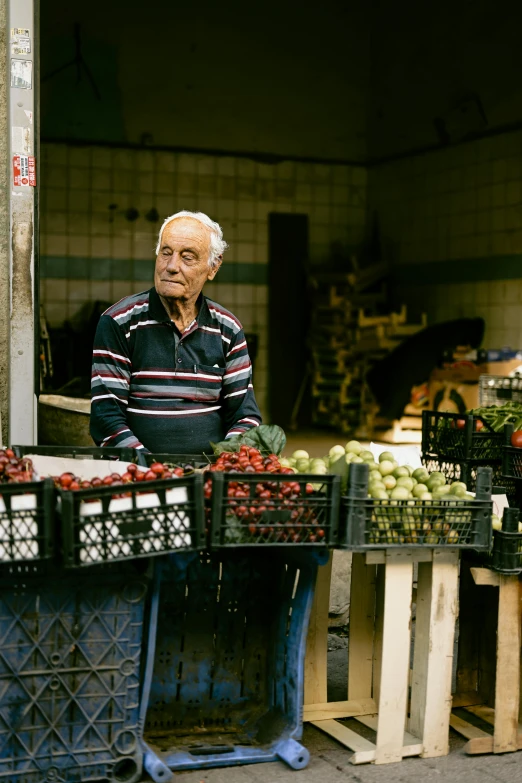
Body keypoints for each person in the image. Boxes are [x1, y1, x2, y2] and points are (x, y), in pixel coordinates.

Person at [90, 211, 262, 454]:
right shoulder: (119, 322)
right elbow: (106, 419)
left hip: (209, 474)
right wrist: (156, 472)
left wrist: (223, 466)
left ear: (213, 267)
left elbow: (246, 418)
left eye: (187, 257)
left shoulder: (228, 329)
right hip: (141, 475)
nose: (171, 267)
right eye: (166, 253)